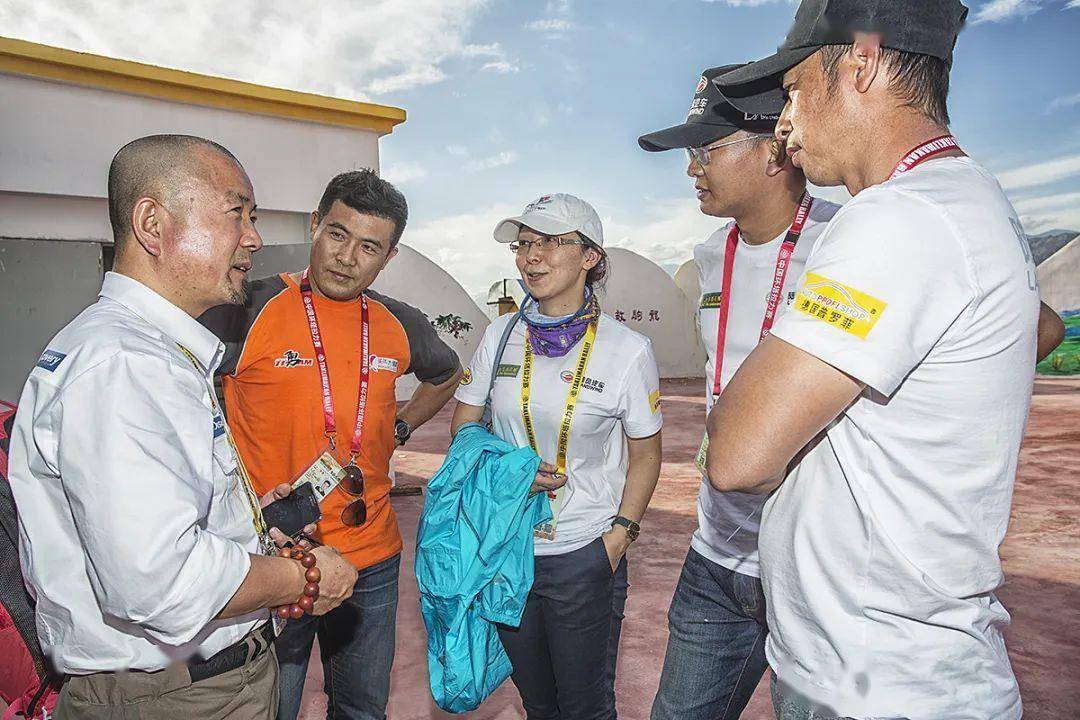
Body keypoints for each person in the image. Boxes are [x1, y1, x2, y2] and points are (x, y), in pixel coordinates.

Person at [710, 1, 1039, 717]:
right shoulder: (969, 197)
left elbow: (737, 453)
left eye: (794, 90)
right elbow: (1034, 331)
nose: (784, 123)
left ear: (860, 61)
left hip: (878, 681)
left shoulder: (901, 215)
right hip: (900, 667)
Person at [7, 134, 357, 720]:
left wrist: (246, 526)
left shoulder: (150, 353)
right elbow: (162, 584)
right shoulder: (126, 365)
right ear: (152, 223)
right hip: (178, 698)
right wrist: (304, 576)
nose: (254, 237)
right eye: (236, 212)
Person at [201, 169, 462, 720]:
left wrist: (401, 428)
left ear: (388, 258)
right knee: (274, 705)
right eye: (338, 234)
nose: (347, 258)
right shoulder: (249, 307)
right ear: (316, 225)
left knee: (364, 708)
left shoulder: (399, 323)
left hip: (373, 555)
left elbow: (446, 375)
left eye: (369, 247)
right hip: (275, 556)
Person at [639, 66, 840, 720]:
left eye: (708, 149)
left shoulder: (848, 244)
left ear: (774, 148)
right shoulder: (706, 256)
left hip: (816, 570)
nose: (691, 167)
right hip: (717, 558)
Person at [451, 194, 663, 720]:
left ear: (590, 256)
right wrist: (509, 470)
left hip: (583, 554)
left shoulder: (626, 349)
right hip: (507, 550)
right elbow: (463, 429)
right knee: (538, 704)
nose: (530, 257)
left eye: (548, 242)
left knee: (586, 707)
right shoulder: (499, 336)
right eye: (524, 244)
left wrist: (619, 538)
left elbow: (647, 456)